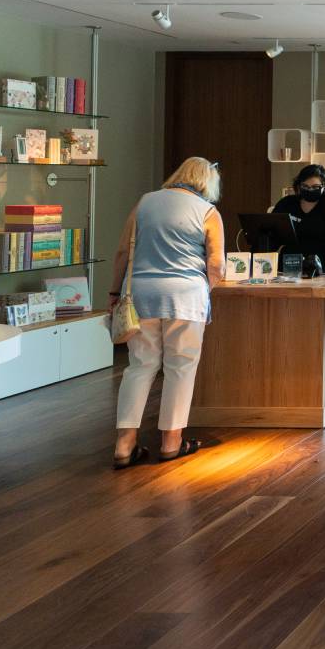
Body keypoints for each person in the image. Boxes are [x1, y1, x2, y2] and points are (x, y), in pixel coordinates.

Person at [110, 157, 227, 468]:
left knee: (140, 366)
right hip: (186, 296)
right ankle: (172, 442)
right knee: (180, 367)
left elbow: (123, 251)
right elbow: (216, 265)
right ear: (208, 182)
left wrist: (112, 293)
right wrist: (204, 290)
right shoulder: (208, 212)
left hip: (141, 293)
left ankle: (124, 444)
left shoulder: (146, 202)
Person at [271, 164, 325, 275]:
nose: (310, 190)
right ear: (298, 186)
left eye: (315, 187)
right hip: (294, 267)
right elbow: (272, 233)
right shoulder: (287, 203)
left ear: (324, 186)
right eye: (305, 186)